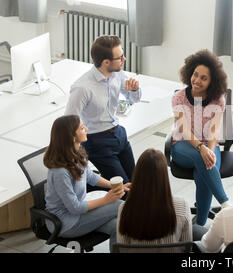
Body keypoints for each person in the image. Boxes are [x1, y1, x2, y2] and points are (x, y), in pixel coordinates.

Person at [65, 35, 141, 191]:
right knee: (123, 191)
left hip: (118, 134)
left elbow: (134, 99)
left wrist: (134, 90)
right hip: (97, 141)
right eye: (120, 57)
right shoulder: (82, 87)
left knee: (137, 184)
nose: (124, 59)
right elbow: (68, 122)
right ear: (106, 62)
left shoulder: (117, 74)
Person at [44, 115, 131, 252]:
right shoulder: (60, 172)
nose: (87, 129)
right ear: (72, 137)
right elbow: (75, 207)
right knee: (121, 206)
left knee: (119, 227)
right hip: (65, 223)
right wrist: (106, 200)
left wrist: (114, 186)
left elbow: (90, 177)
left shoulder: (77, 152)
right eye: (82, 128)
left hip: (79, 215)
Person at [170, 49, 230, 226]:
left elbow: (214, 130)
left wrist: (210, 151)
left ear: (212, 82)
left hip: (209, 146)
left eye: (204, 78)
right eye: (195, 75)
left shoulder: (218, 99)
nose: (197, 80)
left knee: (205, 168)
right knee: (203, 159)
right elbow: (185, 130)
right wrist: (201, 149)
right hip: (182, 145)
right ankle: (226, 204)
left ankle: (199, 226)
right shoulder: (178, 98)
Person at [117, 148, 192, 247]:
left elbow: (123, 248)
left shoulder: (125, 208)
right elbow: (187, 247)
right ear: (164, 175)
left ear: (137, 175)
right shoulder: (182, 206)